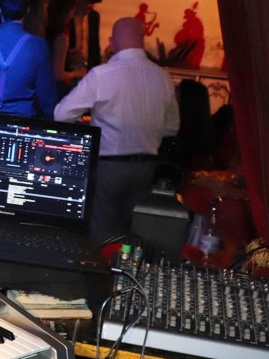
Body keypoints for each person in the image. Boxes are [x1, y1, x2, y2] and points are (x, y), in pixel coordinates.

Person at [54, 17, 180, 244]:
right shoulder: (162, 77)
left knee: (102, 239)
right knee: (132, 238)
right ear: (142, 39)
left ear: (112, 42)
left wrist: (92, 124)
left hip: (108, 166)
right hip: (145, 169)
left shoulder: (101, 75)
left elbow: (61, 115)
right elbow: (172, 128)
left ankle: (101, 267)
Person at [46, 0, 88, 99]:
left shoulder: (46, 29)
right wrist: (77, 73)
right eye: (72, 10)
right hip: (57, 88)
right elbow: (58, 73)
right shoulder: (62, 36)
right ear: (66, 11)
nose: (73, 15)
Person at [70, 0, 103, 69]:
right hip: (70, 64)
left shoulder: (94, 16)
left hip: (88, 65)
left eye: (93, 2)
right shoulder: (70, 15)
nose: (91, 6)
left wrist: (96, 67)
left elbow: (95, 43)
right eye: (88, 2)